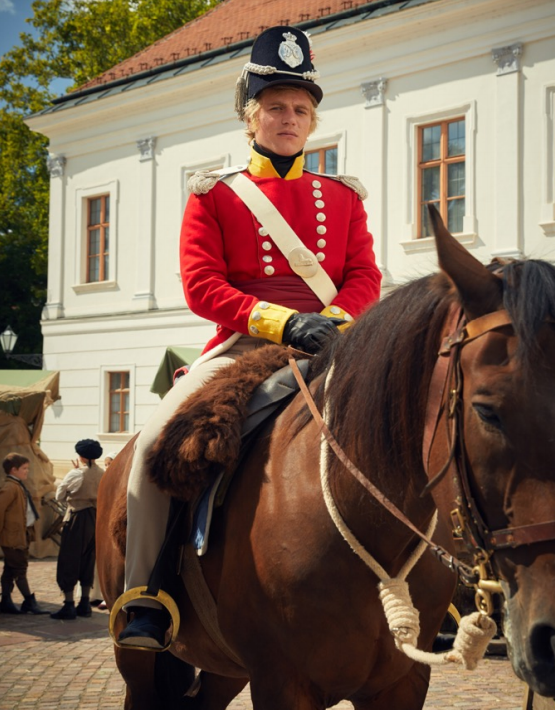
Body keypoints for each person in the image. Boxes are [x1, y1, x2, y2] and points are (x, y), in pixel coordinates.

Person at [117, 25, 382, 649]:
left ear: (313, 123)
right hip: (243, 347)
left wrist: (337, 321)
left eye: (301, 110)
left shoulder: (342, 198)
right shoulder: (215, 194)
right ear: (250, 116)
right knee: (157, 445)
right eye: (275, 108)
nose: (289, 119)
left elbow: (366, 274)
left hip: (337, 342)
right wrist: (285, 323)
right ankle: (146, 595)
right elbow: (202, 286)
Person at [50, 440, 104, 620]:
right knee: (88, 559)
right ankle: (85, 604)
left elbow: (60, 496)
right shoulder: (102, 473)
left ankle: (68, 605)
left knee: (69, 559)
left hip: (77, 518)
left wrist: (74, 474)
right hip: (95, 519)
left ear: (80, 456)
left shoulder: (75, 474)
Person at [0, 453, 48, 614]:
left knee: (10, 568)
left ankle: (5, 600)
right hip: (12, 538)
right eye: (24, 469)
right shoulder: (9, 487)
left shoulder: (18, 484)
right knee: (20, 568)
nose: (27, 472)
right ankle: (29, 601)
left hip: (22, 534)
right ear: (13, 470)